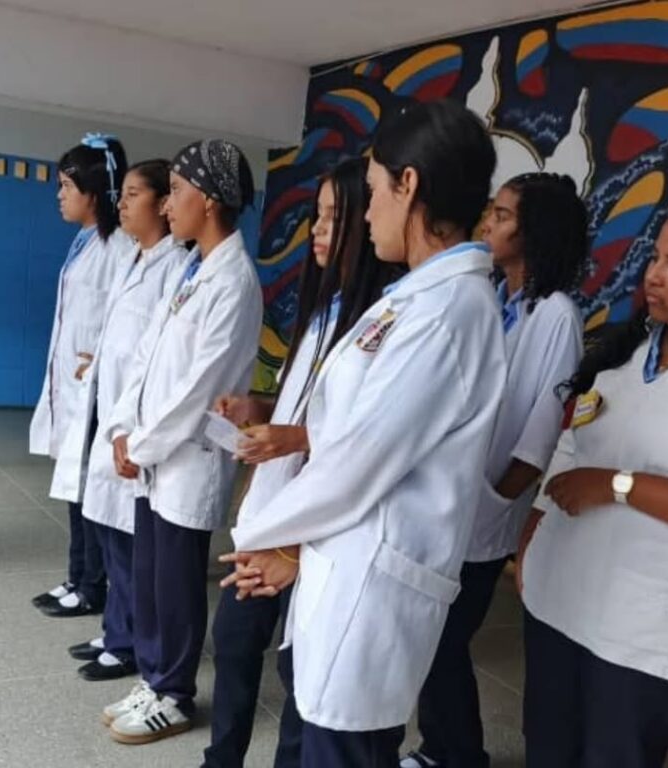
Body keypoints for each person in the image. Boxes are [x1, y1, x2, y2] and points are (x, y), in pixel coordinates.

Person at [224, 99, 506, 768]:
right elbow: (341, 431)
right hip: (342, 567)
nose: (367, 211)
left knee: (342, 745)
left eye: (373, 191)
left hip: (370, 590)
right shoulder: (411, 300)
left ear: (409, 184)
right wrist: (288, 544)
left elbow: (359, 459)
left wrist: (260, 535)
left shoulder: (445, 313)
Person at [202, 157, 402, 768]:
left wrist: (293, 438)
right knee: (234, 641)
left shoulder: (385, 321)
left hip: (324, 525)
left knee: (300, 667)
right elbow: (307, 401)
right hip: (277, 508)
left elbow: (376, 438)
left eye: (334, 218)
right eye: (316, 216)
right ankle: (221, 759)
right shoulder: (325, 309)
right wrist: (258, 407)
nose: (317, 230)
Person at [402, 172, 587, 768]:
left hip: (483, 512)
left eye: (503, 216)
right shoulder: (494, 298)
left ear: (535, 232)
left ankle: (458, 754)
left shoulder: (556, 315)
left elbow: (541, 429)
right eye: (492, 211)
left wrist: (493, 502)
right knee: (432, 637)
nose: (488, 223)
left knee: (445, 639)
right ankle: (441, 747)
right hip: (452, 499)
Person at [517, 199, 668, 768]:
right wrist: (531, 536)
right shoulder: (628, 352)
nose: (654, 275)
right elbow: (574, 445)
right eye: (655, 258)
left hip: (642, 631)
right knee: (547, 749)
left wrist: (616, 485)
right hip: (560, 597)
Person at [101, 139, 263, 744]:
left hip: (187, 459)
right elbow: (147, 357)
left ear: (210, 200)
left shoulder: (234, 281)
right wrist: (123, 429)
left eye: (175, 191)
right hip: (155, 455)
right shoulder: (194, 268)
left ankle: (174, 694)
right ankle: (154, 676)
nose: (167, 206)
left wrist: (140, 444)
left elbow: (201, 388)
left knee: (175, 583)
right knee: (150, 577)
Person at [60, 160, 190, 681]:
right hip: (112, 411)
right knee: (110, 530)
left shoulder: (175, 267)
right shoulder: (137, 259)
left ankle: (130, 641)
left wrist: (130, 424)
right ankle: (117, 629)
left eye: (134, 194)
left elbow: (159, 352)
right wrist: (99, 361)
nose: (123, 203)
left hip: (136, 422)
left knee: (130, 540)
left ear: (162, 203)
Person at [29, 133, 131, 618]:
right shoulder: (86, 239)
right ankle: (78, 575)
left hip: (96, 390)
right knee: (74, 485)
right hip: (76, 384)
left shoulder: (118, 247)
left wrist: (103, 359)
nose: (60, 195)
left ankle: (93, 584)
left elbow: (126, 317)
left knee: (90, 488)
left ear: (95, 192)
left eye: (67, 186)